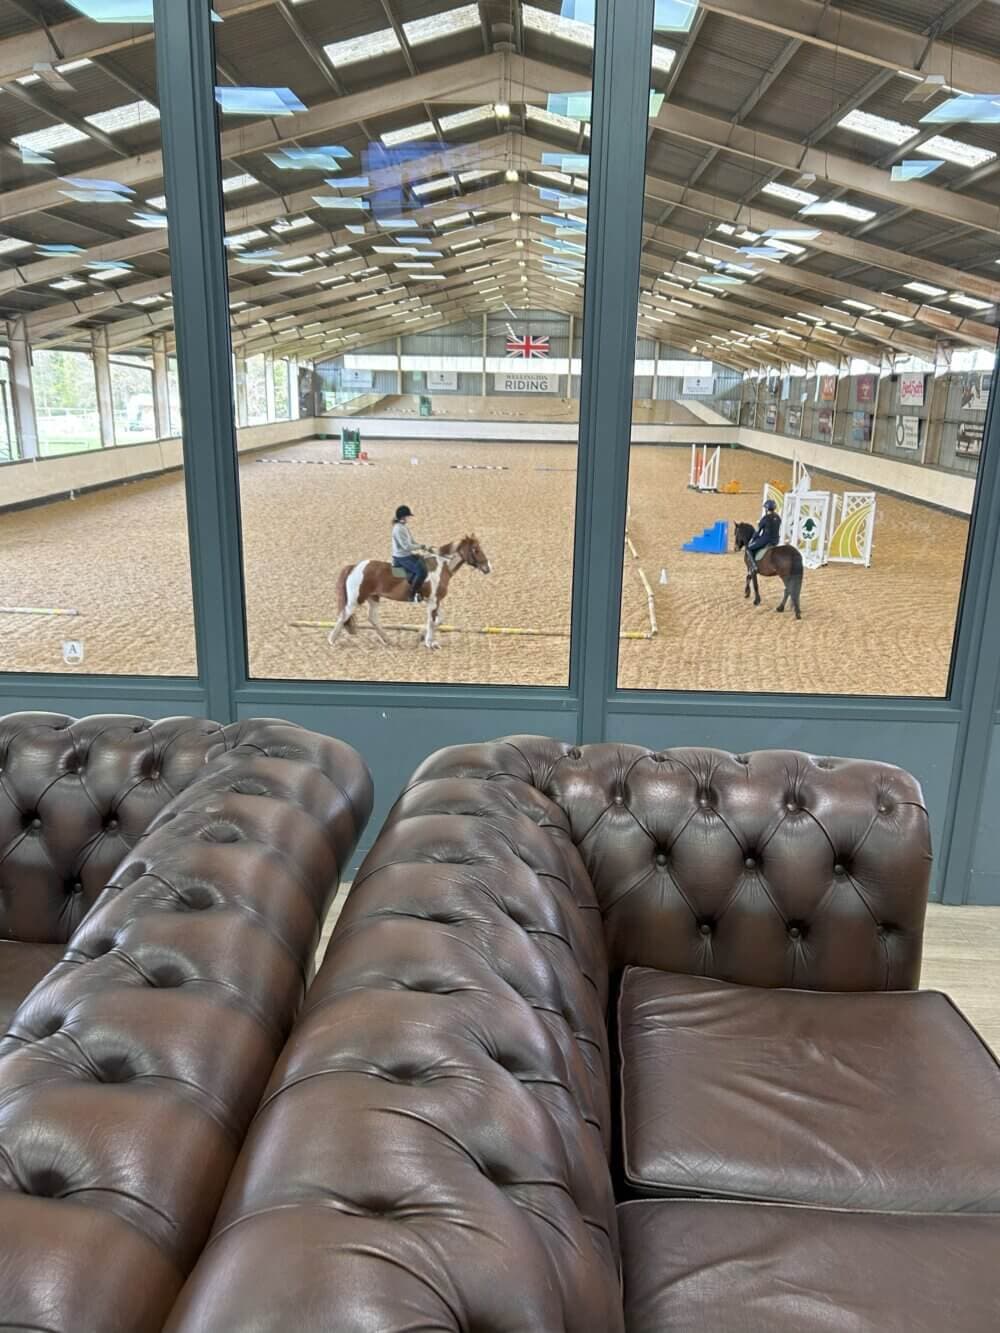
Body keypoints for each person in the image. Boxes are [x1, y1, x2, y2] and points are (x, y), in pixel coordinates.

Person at [391, 505, 431, 602]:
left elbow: (412, 542)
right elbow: (406, 546)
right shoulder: (398, 529)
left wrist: (424, 547)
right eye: (407, 516)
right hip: (401, 557)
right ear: (402, 517)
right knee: (422, 571)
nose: (408, 518)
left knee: (424, 560)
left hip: (406, 554)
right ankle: (412, 594)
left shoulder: (404, 527)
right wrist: (421, 547)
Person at [747, 498, 781, 567]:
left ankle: (754, 566)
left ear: (767, 509)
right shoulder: (778, 518)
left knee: (749, 548)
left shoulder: (765, 518)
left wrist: (752, 539)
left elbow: (757, 531)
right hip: (776, 540)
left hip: (766, 540)